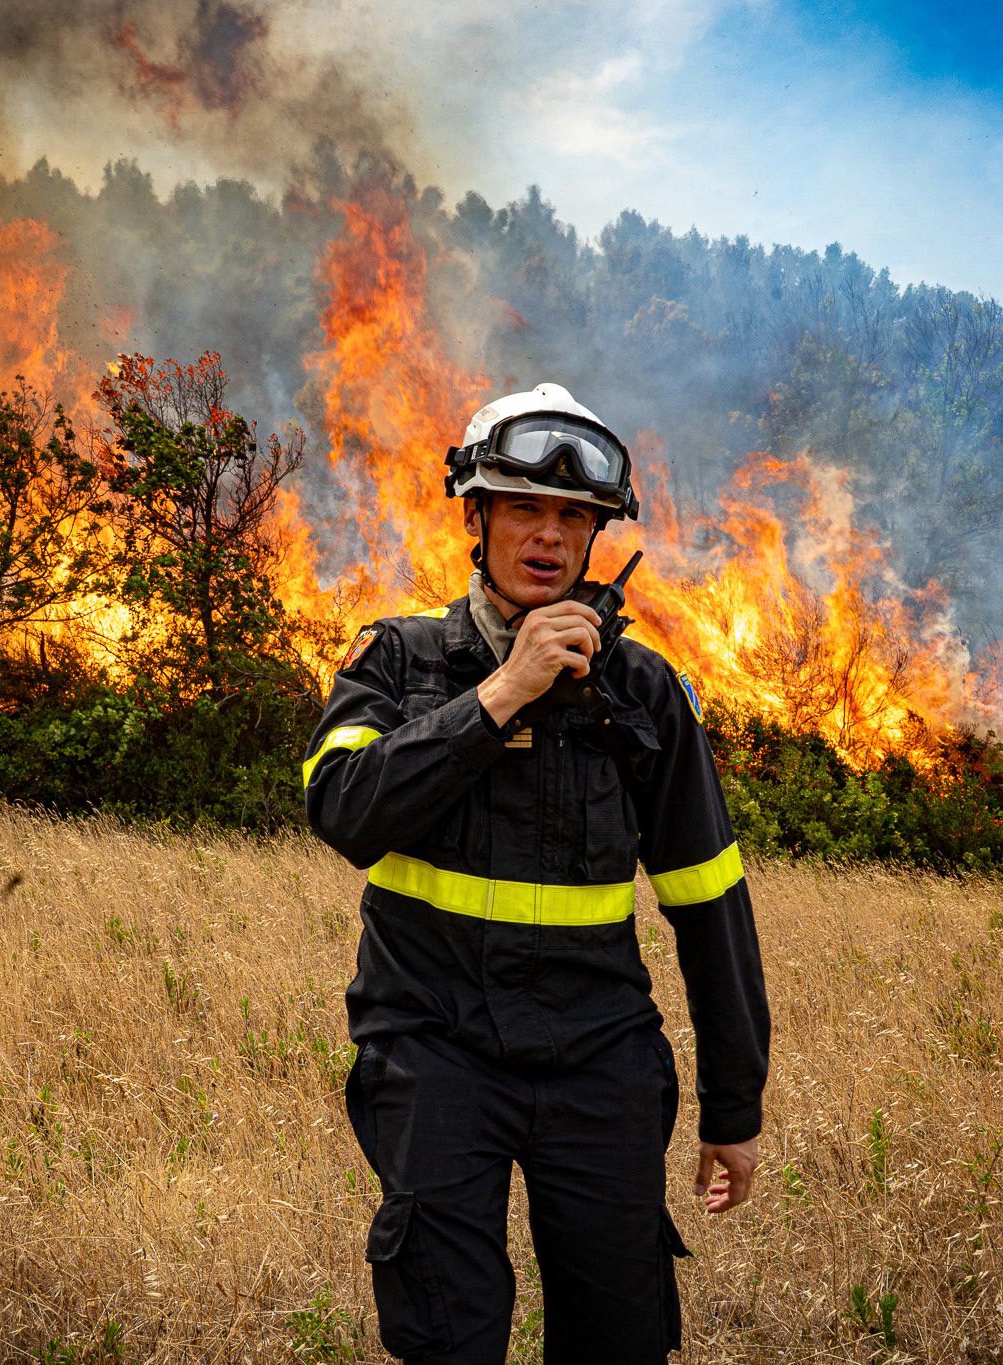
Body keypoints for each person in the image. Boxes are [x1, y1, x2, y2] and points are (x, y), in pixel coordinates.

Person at [302, 383, 772, 1363]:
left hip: (598, 1056)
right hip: (433, 1051)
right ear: (477, 517)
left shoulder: (641, 693)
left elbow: (709, 904)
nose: (550, 535)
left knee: (619, 1334)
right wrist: (504, 691)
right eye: (524, 507)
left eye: (574, 515)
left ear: (599, 530)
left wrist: (735, 1108)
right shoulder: (400, 661)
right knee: (449, 1330)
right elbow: (344, 809)